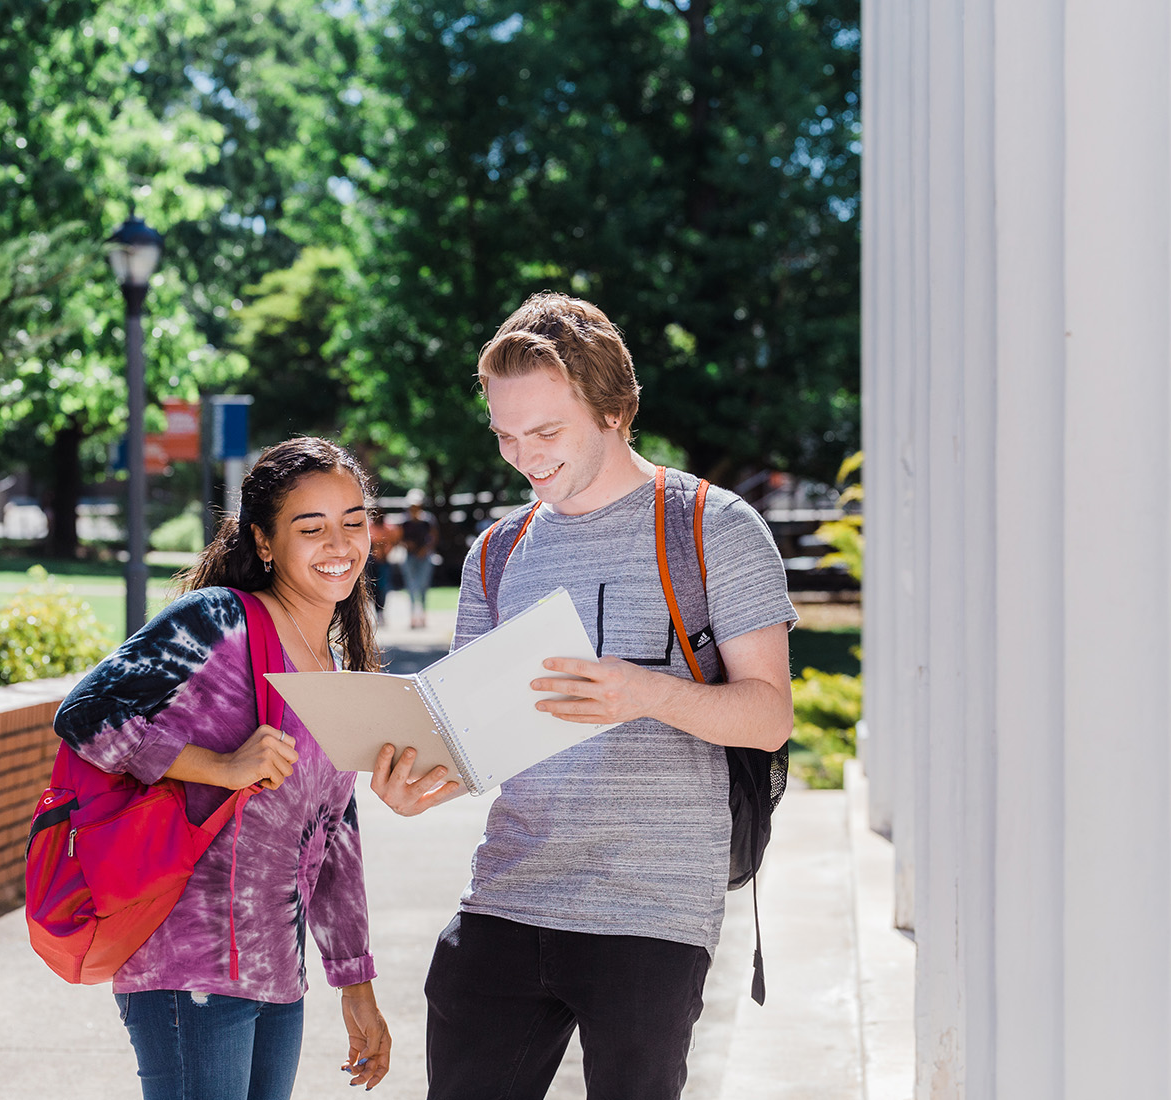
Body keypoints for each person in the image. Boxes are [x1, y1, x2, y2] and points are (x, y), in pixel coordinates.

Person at [370, 293, 796, 1100]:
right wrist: (420, 783)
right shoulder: (497, 552)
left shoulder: (712, 526)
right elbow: (475, 738)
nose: (524, 456)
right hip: (507, 893)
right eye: (505, 435)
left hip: (650, 911)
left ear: (615, 412)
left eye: (546, 432)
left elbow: (769, 716)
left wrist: (646, 692)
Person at [54, 437, 392, 1100]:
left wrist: (355, 983)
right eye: (311, 527)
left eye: (354, 521)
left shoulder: (332, 664)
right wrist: (219, 765)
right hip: (188, 962)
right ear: (265, 543)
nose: (341, 543)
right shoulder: (219, 621)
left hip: (275, 972)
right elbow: (86, 712)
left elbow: (334, 835)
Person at [398, 489, 438, 629]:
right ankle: (413, 618)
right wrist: (407, 545)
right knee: (411, 586)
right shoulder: (405, 521)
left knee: (423, 586)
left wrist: (425, 550)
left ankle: (423, 617)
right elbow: (400, 539)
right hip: (409, 557)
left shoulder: (427, 520)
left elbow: (433, 538)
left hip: (424, 557)